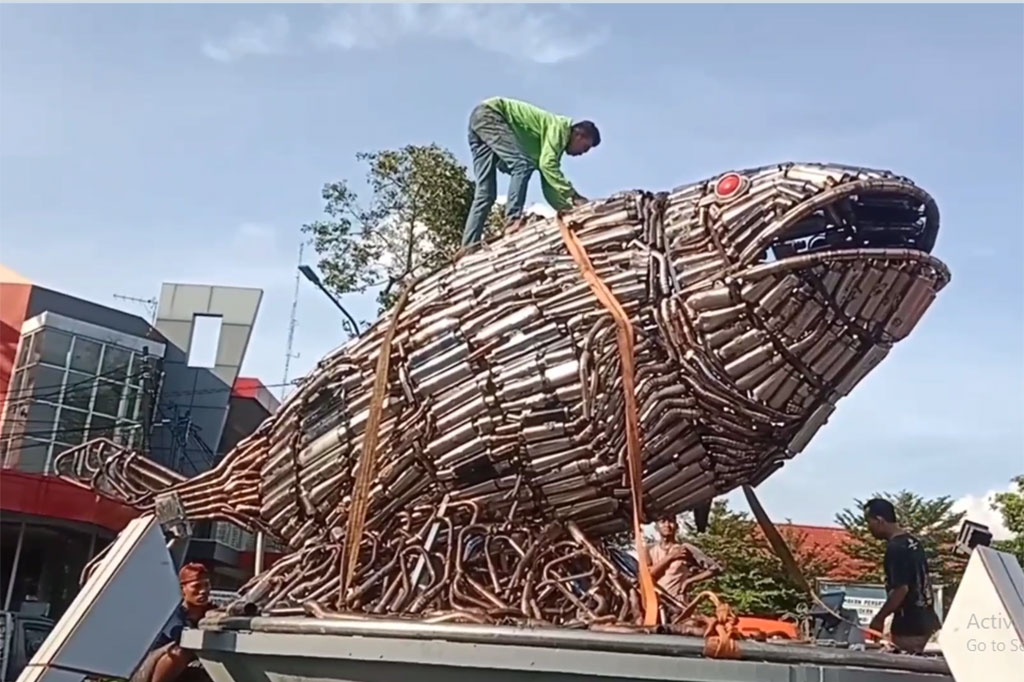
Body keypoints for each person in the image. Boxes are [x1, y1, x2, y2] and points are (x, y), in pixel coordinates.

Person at [460, 97, 601, 249]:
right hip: (493, 115)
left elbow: (550, 189)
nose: (582, 153)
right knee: (522, 165)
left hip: (479, 120)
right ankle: (513, 220)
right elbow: (548, 165)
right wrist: (575, 196)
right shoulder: (559, 128)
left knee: (486, 194)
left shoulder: (548, 146)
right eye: (585, 148)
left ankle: (468, 246)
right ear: (579, 135)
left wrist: (568, 211)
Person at [864, 498, 942, 653]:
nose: (868, 528)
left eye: (869, 522)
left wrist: (879, 619)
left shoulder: (895, 548)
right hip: (926, 618)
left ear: (880, 520)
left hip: (909, 625)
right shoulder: (913, 542)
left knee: (905, 668)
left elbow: (901, 589)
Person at [131, 563, 213, 682]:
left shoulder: (212, 613)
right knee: (181, 651)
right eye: (197, 586)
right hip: (149, 669)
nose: (203, 591)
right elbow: (180, 637)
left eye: (206, 585)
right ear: (182, 589)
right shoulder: (171, 613)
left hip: (189, 669)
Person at [647, 515, 722, 604]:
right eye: (663, 521)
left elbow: (715, 568)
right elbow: (647, 575)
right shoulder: (649, 550)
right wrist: (671, 556)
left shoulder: (685, 549)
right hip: (655, 604)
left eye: (671, 521)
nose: (667, 525)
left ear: (677, 526)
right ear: (656, 527)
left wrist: (689, 581)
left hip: (677, 604)